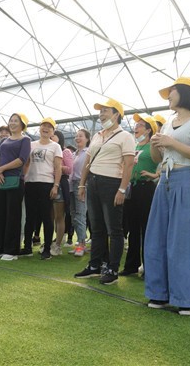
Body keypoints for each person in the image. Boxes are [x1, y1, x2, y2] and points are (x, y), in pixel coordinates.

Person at [145, 77, 190, 316]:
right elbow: (159, 158)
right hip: (165, 182)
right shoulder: (169, 122)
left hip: (187, 180)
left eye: (172, 91)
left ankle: (186, 297)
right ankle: (158, 293)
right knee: (156, 237)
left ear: (186, 93)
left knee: (183, 241)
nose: (168, 96)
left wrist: (170, 141)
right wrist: (155, 144)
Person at [74, 98, 135, 285]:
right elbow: (88, 162)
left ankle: (112, 269)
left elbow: (129, 164)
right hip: (93, 182)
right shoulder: (98, 135)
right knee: (97, 227)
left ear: (117, 114)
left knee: (114, 229)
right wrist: (82, 184)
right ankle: (95, 266)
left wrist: (122, 189)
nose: (101, 114)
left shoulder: (125, 136)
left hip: (112, 183)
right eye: (100, 111)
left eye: (105, 110)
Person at [120, 114, 159, 276]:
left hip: (146, 188)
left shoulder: (154, 146)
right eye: (136, 125)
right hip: (132, 189)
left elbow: (164, 162)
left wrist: (155, 175)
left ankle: (148, 268)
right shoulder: (134, 146)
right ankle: (131, 266)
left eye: (141, 125)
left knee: (146, 229)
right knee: (133, 229)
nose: (136, 127)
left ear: (149, 130)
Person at [0, 113, 31, 261]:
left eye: (16, 121)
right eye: (11, 121)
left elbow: (21, 160)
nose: (12, 123)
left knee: (13, 215)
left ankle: (11, 250)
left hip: (15, 181)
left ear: (22, 125)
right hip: (0, 180)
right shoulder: (3, 140)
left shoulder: (25, 140)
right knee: (0, 214)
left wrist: (1, 169)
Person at [20, 117, 62, 260]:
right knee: (30, 217)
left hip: (46, 184)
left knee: (46, 217)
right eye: (44, 125)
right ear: (39, 127)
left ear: (53, 131)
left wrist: (56, 185)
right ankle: (27, 247)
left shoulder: (55, 146)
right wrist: (23, 179)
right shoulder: (31, 144)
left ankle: (47, 249)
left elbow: (58, 167)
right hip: (31, 183)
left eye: (49, 127)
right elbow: (26, 164)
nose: (46, 128)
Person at [50, 130, 73, 256]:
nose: (50, 137)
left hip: (60, 185)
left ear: (59, 138)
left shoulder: (66, 151)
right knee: (50, 217)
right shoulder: (48, 150)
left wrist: (57, 167)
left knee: (59, 217)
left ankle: (58, 245)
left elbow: (69, 169)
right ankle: (52, 241)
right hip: (47, 183)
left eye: (53, 136)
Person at [68, 128, 91, 257]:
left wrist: (83, 184)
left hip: (82, 184)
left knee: (80, 215)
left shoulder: (88, 152)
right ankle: (79, 242)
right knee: (74, 215)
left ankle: (82, 245)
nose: (78, 138)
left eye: (81, 136)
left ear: (87, 139)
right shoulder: (74, 153)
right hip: (72, 185)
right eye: (76, 136)